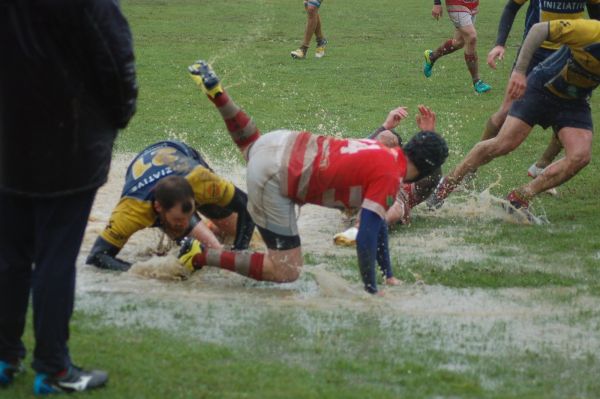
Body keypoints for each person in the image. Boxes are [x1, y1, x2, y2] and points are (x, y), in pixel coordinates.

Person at [178, 60, 448, 295]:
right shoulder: (390, 177)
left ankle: (219, 95)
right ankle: (200, 255)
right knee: (287, 270)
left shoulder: (381, 147)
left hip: (278, 140)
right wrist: (372, 290)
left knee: (252, 146)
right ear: (425, 169)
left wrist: (387, 274)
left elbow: (375, 230)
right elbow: (366, 235)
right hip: (274, 178)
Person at [0, 0, 137, 394]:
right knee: (55, 259)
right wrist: (120, 114)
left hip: (10, 138)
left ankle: (5, 355)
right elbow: (115, 55)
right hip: (69, 142)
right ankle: (54, 368)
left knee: (9, 256)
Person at [428, 19, 600, 222]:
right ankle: (445, 186)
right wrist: (519, 72)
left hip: (574, 101)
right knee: (503, 144)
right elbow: (538, 29)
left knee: (580, 156)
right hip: (542, 88)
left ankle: (519, 198)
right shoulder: (592, 32)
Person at [86, 140, 256, 272]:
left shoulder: (202, 181)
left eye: (189, 218)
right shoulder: (131, 210)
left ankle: (210, 226)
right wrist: (142, 272)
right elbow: (97, 256)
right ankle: (203, 231)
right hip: (149, 172)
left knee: (231, 234)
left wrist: (238, 254)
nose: (185, 225)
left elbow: (247, 205)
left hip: (178, 155)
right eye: (178, 220)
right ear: (158, 208)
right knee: (212, 248)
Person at [483, 0, 600, 187]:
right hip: (535, 51)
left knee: (567, 118)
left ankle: (541, 166)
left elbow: (596, 15)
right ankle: (477, 161)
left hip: (569, 56)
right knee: (505, 112)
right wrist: (500, 44)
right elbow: (511, 7)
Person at [423, 0, 492, 93]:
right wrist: (437, 3)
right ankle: (477, 81)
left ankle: (432, 57)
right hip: (456, 3)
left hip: (472, 3)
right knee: (471, 37)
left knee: (459, 42)